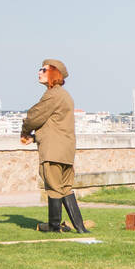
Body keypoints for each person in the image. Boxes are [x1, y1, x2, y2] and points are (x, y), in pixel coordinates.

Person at [20, 58, 89, 233]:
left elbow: (35, 116)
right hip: (66, 151)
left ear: (53, 73)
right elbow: (55, 127)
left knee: (53, 187)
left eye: (43, 70)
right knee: (66, 187)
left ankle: (53, 226)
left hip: (52, 151)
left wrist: (26, 131)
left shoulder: (52, 95)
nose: (39, 72)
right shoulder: (65, 96)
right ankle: (80, 227)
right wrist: (35, 139)